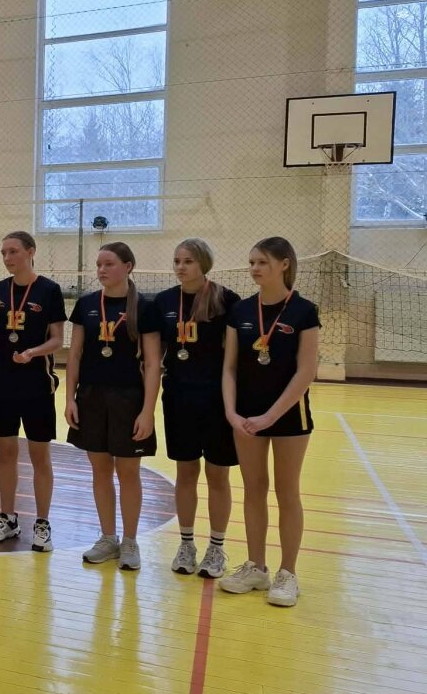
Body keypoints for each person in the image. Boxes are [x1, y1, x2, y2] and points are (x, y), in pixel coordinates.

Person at [219, 237, 319, 607]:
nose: (254, 269)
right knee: (253, 489)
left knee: (287, 491)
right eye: (251, 262)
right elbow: (229, 367)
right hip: (246, 416)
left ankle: (288, 573)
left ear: (284, 264)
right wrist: (232, 412)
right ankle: (256, 567)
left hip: (289, 415)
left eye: (262, 262)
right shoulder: (241, 310)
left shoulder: (304, 311)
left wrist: (271, 416)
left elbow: (306, 371)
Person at [64, 242, 161, 571]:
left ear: (128, 266)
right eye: (99, 264)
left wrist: (147, 411)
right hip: (91, 397)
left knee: (128, 472)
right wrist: (70, 398)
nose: (101, 270)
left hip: (129, 399)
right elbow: (74, 355)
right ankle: (108, 538)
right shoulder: (87, 304)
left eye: (109, 264)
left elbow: (152, 363)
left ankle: (130, 541)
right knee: (100, 471)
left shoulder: (144, 307)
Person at [154, 239, 241, 578]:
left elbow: (234, 356)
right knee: (186, 472)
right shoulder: (164, 301)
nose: (180, 267)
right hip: (178, 398)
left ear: (204, 263)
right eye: (177, 260)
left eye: (188, 261)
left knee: (218, 474)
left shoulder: (226, 300)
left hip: (217, 401)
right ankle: (186, 543)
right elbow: (156, 352)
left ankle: (216, 547)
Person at [0, 232, 66, 551]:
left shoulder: (49, 290)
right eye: (3, 252)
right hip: (2, 382)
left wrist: (32, 352)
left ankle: (42, 523)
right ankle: (8, 519)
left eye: (13, 251)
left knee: (39, 456)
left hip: (36, 384)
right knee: (6, 454)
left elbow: (57, 339)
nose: (7, 258)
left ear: (31, 252)